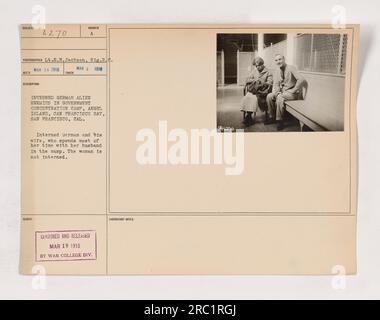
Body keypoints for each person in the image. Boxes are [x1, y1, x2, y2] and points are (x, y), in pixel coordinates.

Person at [266, 54, 305, 130]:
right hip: (283, 93)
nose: (278, 61)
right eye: (276, 60)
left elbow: (301, 79)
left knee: (280, 97)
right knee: (269, 96)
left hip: (292, 94)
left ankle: (279, 120)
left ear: (284, 59)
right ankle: (271, 117)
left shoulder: (291, 68)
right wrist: (276, 92)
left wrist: (294, 89)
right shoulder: (277, 70)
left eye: (280, 59)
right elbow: (276, 84)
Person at [240, 57, 273, 126]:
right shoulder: (254, 71)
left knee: (254, 98)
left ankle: (248, 117)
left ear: (262, 64)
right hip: (254, 90)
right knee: (247, 97)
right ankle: (249, 116)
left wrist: (261, 82)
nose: (257, 67)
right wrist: (254, 80)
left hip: (262, 92)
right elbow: (247, 80)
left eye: (258, 66)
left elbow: (270, 83)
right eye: (256, 66)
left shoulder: (268, 72)